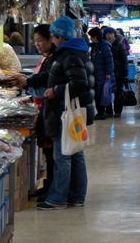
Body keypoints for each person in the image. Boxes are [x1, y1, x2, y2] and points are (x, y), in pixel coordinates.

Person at [37, 16, 95, 211]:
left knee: (63, 154)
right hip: (73, 111)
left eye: (52, 36)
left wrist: (56, 91)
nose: (51, 40)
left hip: (66, 110)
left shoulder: (69, 53)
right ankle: (77, 196)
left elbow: (79, 83)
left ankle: (58, 199)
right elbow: (56, 75)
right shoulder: (72, 51)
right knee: (75, 152)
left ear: (61, 37)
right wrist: (29, 81)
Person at [14, 24, 56, 202]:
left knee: (53, 155)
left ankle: (52, 188)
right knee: (48, 154)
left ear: (50, 40)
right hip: (43, 110)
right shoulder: (46, 58)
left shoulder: (54, 60)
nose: (37, 44)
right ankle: (47, 185)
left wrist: (29, 87)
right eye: (35, 41)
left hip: (51, 112)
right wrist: (31, 98)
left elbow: (46, 85)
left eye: (40, 40)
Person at [88, 27, 116, 120]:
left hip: (103, 75)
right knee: (98, 94)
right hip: (97, 74)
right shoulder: (95, 46)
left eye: (91, 36)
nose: (90, 38)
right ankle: (101, 112)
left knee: (101, 94)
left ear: (95, 36)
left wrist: (108, 73)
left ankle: (101, 113)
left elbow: (109, 61)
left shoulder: (104, 46)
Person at [104, 27, 128, 117]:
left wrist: (125, 73)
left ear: (114, 35)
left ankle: (118, 111)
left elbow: (124, 60)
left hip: (118, 72)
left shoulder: (120, 45)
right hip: (107, 74)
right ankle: (108, 111)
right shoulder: (103, 45)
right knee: (106, 92)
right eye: (107, 34)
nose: (109, 36)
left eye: (111, 34)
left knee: (118, 93)